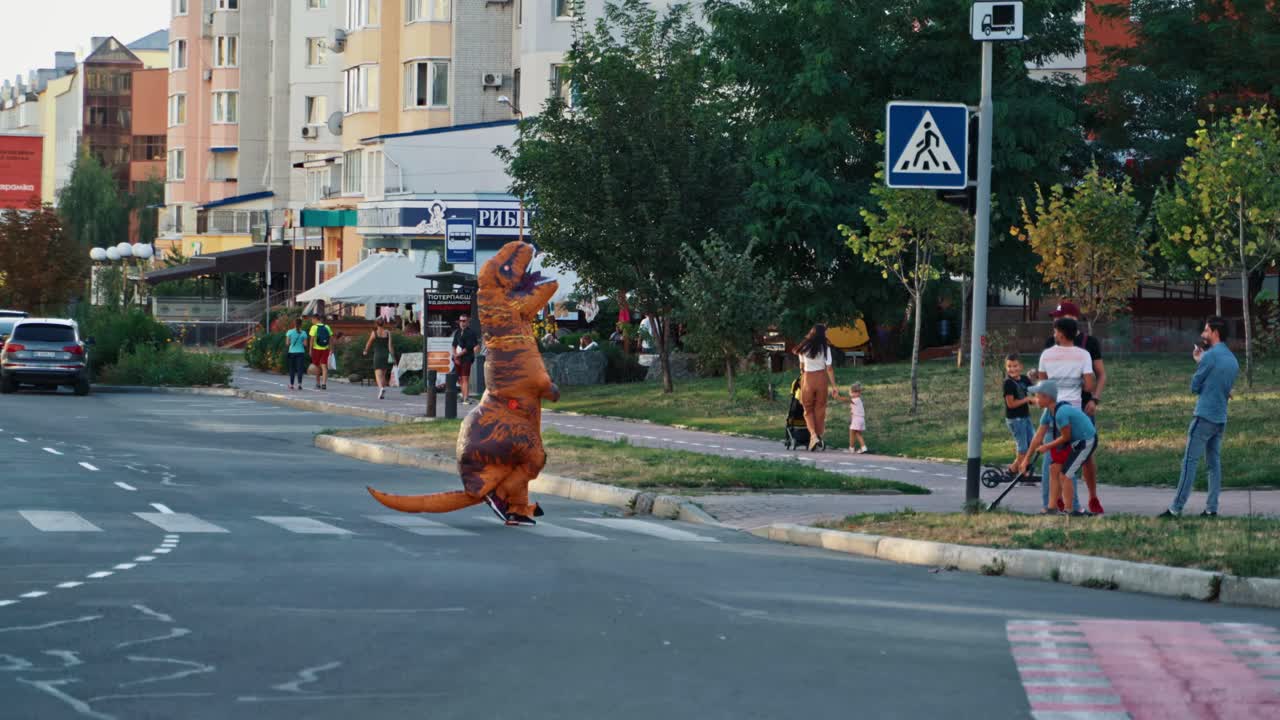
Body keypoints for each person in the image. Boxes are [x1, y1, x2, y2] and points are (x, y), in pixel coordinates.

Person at [1161, 316, 1239, 518]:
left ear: (1215, 333)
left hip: (1204, 416)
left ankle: (1175, 508)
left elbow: (1194, 386)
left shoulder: (1210, 356)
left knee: (1189, 462)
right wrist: (1203, 362)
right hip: (1220, 419)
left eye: (1206, 330)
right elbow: (1223, 387)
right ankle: (1211, 509)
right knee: (1214, 465)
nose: (1203, 334)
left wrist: (1200, 362)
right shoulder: (1233, 359)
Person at [1034, 301, 1107, 513]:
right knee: (1063, 456)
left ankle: (1088, 498)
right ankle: (1065, 504)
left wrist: (1094, 399)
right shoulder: (1051, 344)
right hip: (1065, 406)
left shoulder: (1089, 343)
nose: (1055, 322)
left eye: (1059, 317)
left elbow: (1101, 375)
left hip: (1082, 406)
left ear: (1072, 319)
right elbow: (1048, 378)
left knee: (1082, 455)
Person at [1016, 380, 1097, 516]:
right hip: (1073, 441)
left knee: (1066, 474)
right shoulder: (1048, 412)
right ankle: (1051, 508)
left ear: (1047, 397)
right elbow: (1038, 436)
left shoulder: (1061, 413)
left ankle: (1071, 511)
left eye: (1037, 396)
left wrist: (1046, 447)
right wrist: (1026, 460)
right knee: (1054, 469)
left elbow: (1066, 437)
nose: (1035, 399)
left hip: (1086, 441)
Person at [794, 323, 837, 451]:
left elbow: (801, 367)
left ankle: (813, 435)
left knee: (807, 409)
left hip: (808, 378)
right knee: (820, 408)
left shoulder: (803, 347)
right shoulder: (825, 348)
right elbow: (829, 368)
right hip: (821, 378)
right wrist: (834, 386)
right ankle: (818, 435)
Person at [1003, 354, 1035, 470]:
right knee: (1023, 448)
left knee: (1033, 443)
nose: (1012, 369)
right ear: (1006, 367)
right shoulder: (1008, 383)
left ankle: (1013, 469)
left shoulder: (1025, 379)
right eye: (1009, 366)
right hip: (1015, 419)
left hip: (1025, 416)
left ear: (1021, 366)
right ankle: (1022, 472)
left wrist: (1033, 398)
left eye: (1015, 366)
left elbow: (1032, 394)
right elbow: (1011, 404)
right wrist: (1026, 399)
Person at [363, 318, 395, 400]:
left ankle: (381, 388)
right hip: (386, 355)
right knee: (383, 375)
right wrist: (393, 357)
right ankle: (382, 394)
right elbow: (390, 346)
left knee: (378, 375)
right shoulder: (388, 333)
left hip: (377, 355)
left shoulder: (374, 333)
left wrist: (365, 351)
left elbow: (369, 343)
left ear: (376, 324)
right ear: (384, 324)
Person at [451, 313, 480, 399]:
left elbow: (468, 348)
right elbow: (454, 345)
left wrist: (457, 355)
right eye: (460, 321)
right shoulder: (458, 332)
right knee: (459, 378)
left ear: (467, 322)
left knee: (465, 378)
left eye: (464, 321)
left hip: (466, 358)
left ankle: (465, 398)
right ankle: (463, 395)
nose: (462, 323)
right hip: (458, 358)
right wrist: (455, 355)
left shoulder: (470, 333)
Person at [308, 315, 334, 390]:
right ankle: (324, 384)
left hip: (316, 349)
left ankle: (318, 383)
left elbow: (312, 339)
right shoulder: (327, 327)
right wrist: (331, 349)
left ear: (315, 319)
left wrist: (310, 350)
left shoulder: (314, 327)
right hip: (325, 349)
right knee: (324, 367)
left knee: (317, 366)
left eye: (312, 319)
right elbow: (331, 338)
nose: (312, 321)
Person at [285, 318, 309, 391]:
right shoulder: (303, 333)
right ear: (301, 324)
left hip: (292, 352)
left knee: (292, 369)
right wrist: (301, 342)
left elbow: (287, 343)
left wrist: (291, 342)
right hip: (300, 352)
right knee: (300, 369)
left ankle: (292, 385)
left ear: (294, 324)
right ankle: (299, 384)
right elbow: (305, 344)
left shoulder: (289, 332)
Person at [844, 382, 868, 454]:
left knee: (852, 432)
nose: (850, 394)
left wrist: (837, 397)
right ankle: (863, 447)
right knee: (858, 434)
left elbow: (846, 400)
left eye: (851, 392)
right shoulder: (858, 400)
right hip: (860, 419)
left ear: (856, 393)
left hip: (857, 419)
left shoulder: (855, 400)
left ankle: (851, 448)